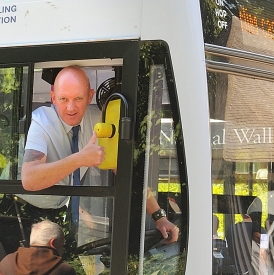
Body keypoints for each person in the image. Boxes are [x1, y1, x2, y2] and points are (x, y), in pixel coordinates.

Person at [20, 65, 178, 244]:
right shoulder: (41, 120)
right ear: (53, 98)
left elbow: (127, 173)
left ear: (90, 96)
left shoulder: (99, 120)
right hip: (20, 212)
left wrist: (159, 217)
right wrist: (80, 159)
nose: (70, 107)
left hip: (58, 210)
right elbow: (29, 179)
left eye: (78, 98)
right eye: (63, 99)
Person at [0, 220, 79, 275]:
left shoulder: (6, 263)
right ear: (53, 243)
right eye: (62, 245)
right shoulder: (64, 271)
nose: (62, 251)